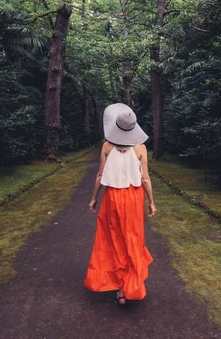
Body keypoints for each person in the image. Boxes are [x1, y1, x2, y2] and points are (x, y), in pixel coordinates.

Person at [84, 103, 157, 307]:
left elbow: (100, 175)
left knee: (113, 239)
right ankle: (129, 286)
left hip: (112, 198)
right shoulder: (141, 148)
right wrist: (151, 202)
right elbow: (145, 180)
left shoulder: (107, 147)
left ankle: (119, 288)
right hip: (134, 199)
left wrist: (94, 198)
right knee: (132, 239)